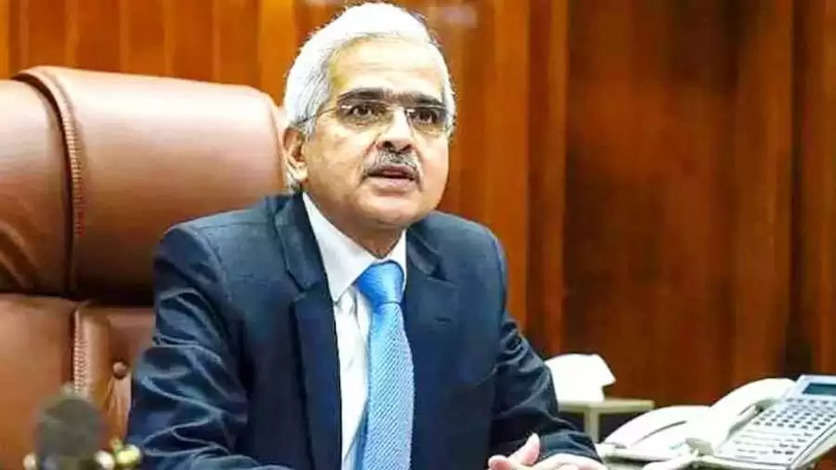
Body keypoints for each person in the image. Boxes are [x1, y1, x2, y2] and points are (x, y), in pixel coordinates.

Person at [126, 3, 604, 470]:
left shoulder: (470, 262)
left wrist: (563, 462)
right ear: (297, 151)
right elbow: (175, 453)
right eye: (363, 110)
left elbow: (543, 430)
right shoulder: (220, 266)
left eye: (426, 116)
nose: (400, 137)